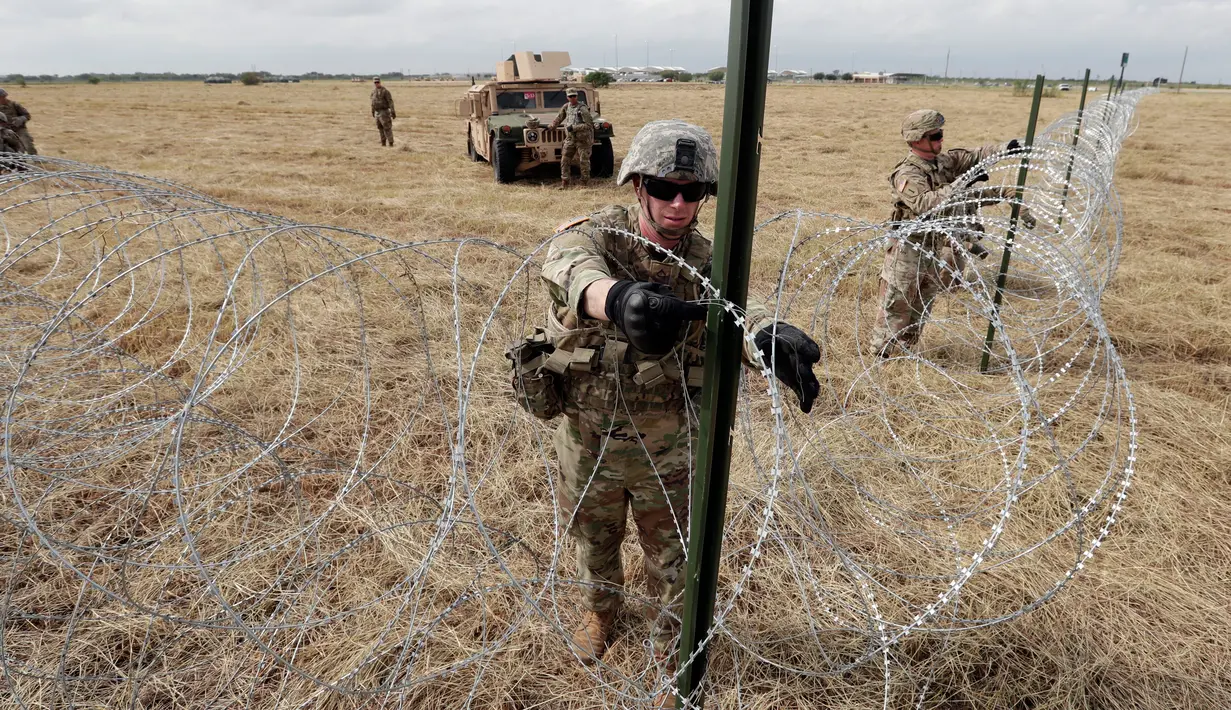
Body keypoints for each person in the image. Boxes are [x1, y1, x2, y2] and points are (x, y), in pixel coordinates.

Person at [533, 120, 820, 707]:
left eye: (694, 193)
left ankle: (673, 652)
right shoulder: (598, 236)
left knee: (675, 559)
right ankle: (600, 612)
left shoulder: (703, 261)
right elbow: (567, 268)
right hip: (592, 433)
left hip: (670, 441)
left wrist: (768, 336)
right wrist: (615, 299)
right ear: (638, 185)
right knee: (596, 540)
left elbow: (738, 307)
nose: (680, 204)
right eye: (665, 188)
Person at [871, 109, 1036, 357]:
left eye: (941, 134)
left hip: (934, 246)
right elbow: (925, 204)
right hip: (908, 249)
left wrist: (1008, 148)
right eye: (935, 135)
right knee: (897, 306)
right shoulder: (908, 173)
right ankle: (880, 357)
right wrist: (962, 184)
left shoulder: (943, 162)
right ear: (918, 139)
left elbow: (974, 157)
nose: (941, 139)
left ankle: (906, 353)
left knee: (922, 306)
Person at [548, 87, 593, 188]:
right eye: (570, 96)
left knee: (583, 161)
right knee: (565, 160)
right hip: (570, 139)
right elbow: (559, 118)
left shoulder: (582, 109)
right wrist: (552, 126)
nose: (572, 98)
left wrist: (574, 127)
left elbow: (589, 125)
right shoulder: (566, 107)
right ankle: (565, 182)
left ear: (577, 96)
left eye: (574, 96)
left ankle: (584, 183)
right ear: (567, 97)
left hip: (582, 140)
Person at [0, 88, 37, 154]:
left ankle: (38, 161)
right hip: (3, 131)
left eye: (3, 97)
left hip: (19, 129)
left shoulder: (14, 105)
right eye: (1, 97)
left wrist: (21, 119)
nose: (3, 99)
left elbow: (27, 115)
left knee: (27, 144)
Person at [369, 77, 395, 147]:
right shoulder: (373, 91)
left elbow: (390, 102)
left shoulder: (385, 91)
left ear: (380, 82)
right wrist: (372, 111)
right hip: (377, 112)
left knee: (387, 128)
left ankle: (391, 143)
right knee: (380, 128)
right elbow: (372, 102)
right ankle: (383, 143)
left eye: (378, 82)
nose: (376, 83)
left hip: (384, 112)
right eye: (375, 82)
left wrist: (393, 111)